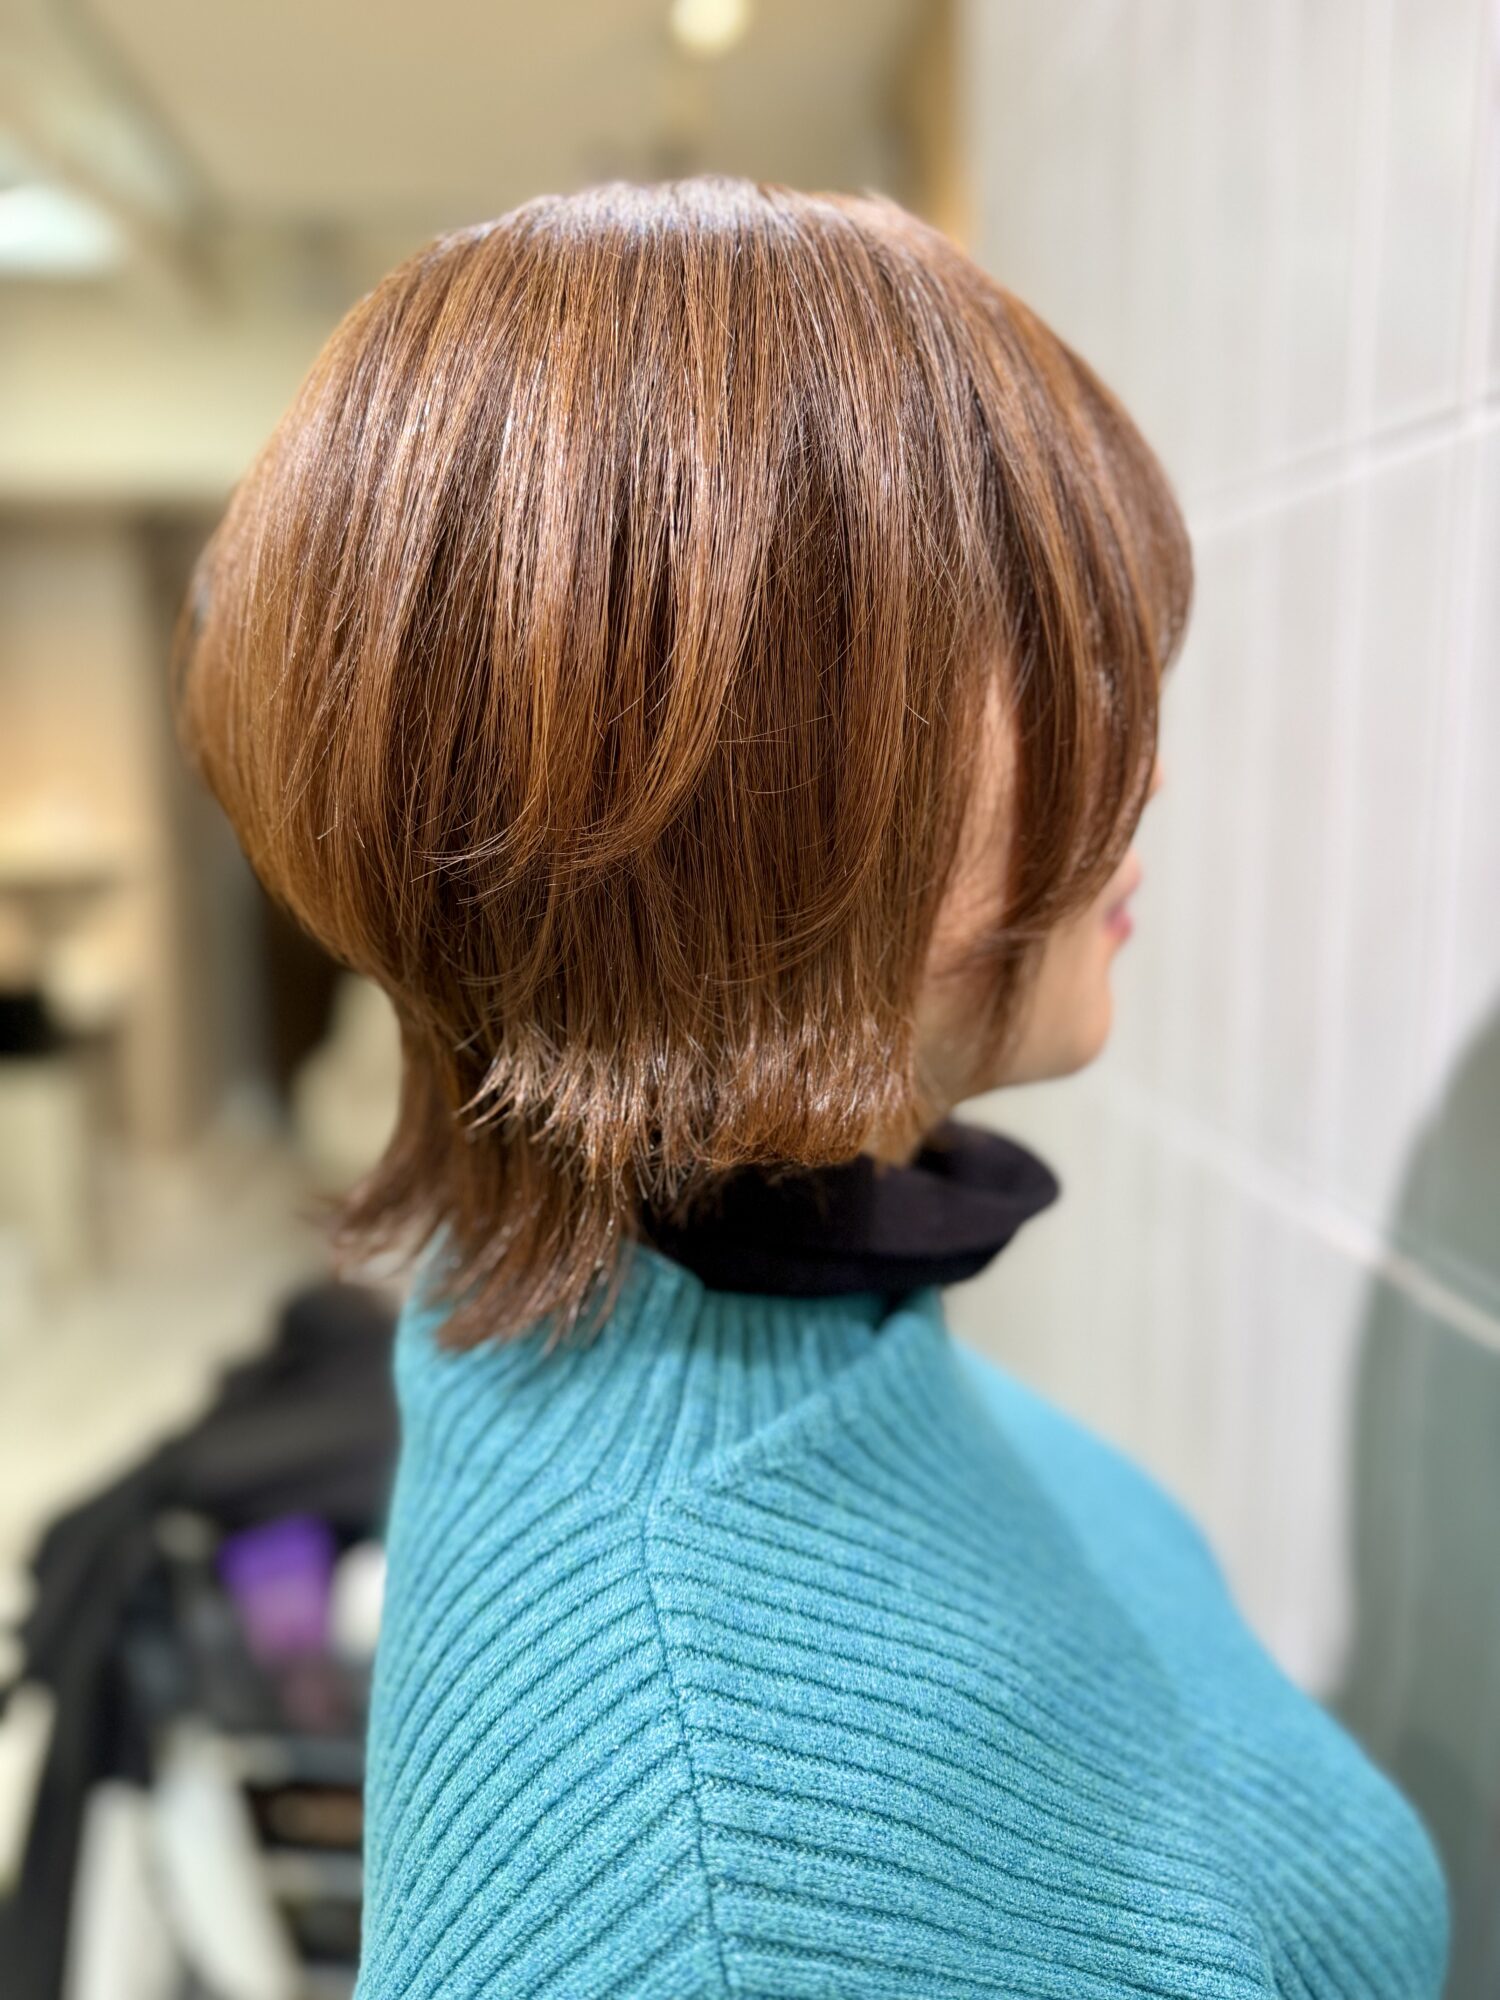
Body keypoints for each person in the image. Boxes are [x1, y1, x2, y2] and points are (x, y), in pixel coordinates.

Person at [174, 177, 1450, 1999]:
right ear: (727, 795)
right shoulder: (687, 1890)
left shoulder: (677, 1301)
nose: (1145, 764)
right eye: (1057, 666)